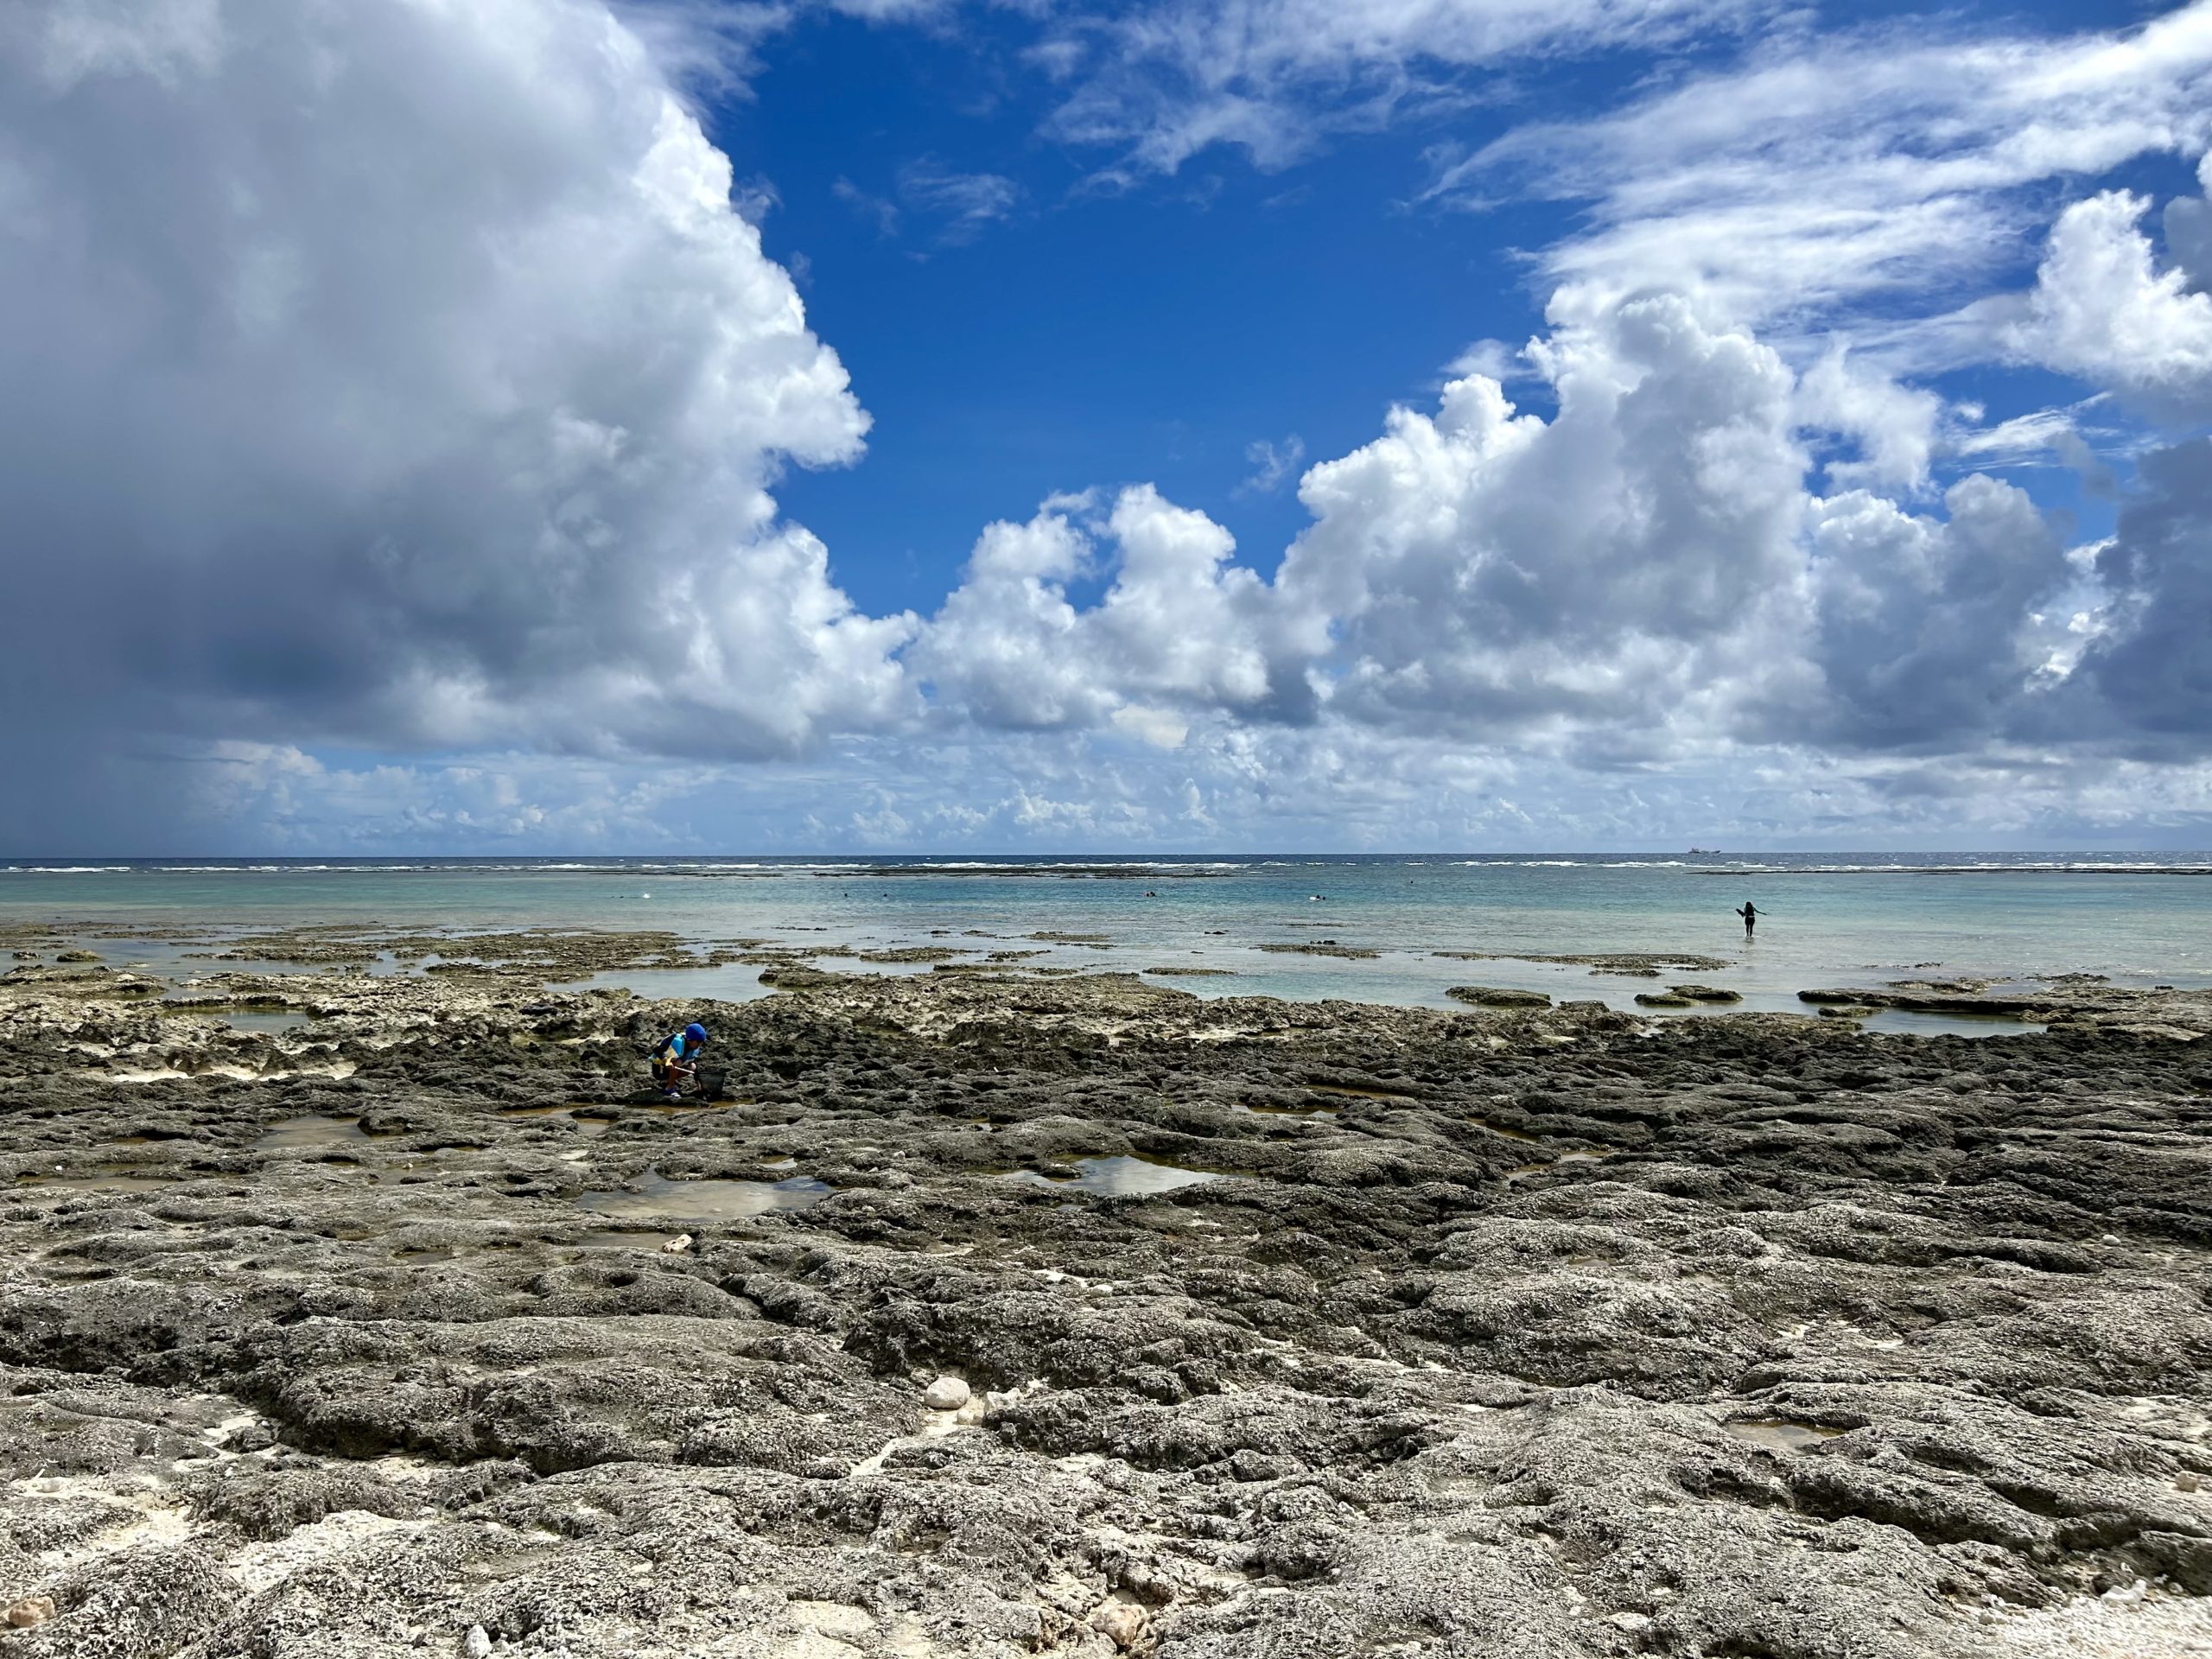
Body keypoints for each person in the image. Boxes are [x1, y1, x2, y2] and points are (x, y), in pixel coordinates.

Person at [652, 1021, 709, 1099]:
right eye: (697, 1042)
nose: (699, 1045)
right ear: (689, 1040)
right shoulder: (678, 1041)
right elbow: (656, 1049)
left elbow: (695, 1070)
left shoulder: (693, 1047)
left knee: (693, 1066)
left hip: (670, 1069)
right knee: (678, 1062)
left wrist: (700, 1087)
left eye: (700, 1043)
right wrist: (666, 1061)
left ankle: (667, 1081)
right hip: (659, 1070)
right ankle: (669, 1088)